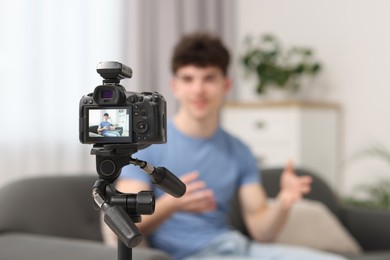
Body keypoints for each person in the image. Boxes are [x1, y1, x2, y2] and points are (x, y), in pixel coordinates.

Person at [118, 32, 345, 260]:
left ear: (226, 84)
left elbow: (261, 231)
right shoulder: (145, 147)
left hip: (238, 248)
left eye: (209, 78)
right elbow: (123, 221)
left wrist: (284, 203)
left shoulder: (239, 150)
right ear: (175, 86)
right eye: (188, 79)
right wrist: (171, 204)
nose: (198, 90)